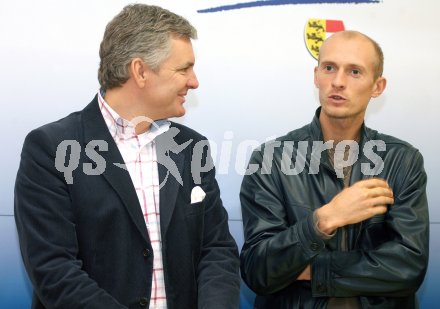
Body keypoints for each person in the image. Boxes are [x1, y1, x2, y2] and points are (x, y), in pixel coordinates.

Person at [14, 4, 240, 309]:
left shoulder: (191, 148)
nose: (194, 81)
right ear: (140, 71)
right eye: (183, 69)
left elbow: (217, 249)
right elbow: (54, 270)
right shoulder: (50, 148)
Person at [240, 30, 429, 308]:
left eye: (354, 72)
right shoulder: (271, 158)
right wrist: (324, 220)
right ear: (316, 76)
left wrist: (315, 271)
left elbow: (408, 267)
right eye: (329, 68)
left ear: (378, 86)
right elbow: (260, 271)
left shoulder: (402, 160)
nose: (338, 82)